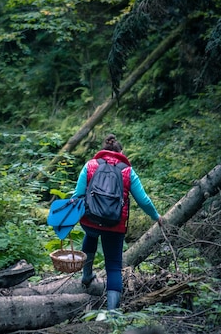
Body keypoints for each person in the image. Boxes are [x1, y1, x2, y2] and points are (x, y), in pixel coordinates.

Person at [72, 133, 163, 311]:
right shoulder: (127, 171)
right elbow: (143, 200)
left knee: (90, 235)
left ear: (103, 149)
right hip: (115, 224)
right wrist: (156, 216)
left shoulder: (90, 165)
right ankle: (112, 312)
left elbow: (77, 196)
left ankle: (86, 276)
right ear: (121, 152)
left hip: (90, 220)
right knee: (113, 266)